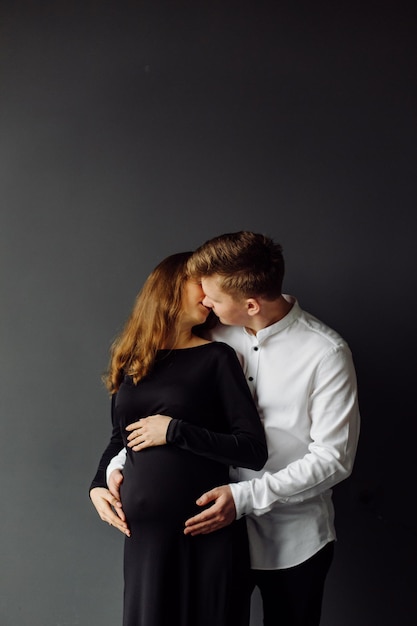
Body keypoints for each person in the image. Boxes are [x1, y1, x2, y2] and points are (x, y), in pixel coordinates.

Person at [101, 232, 360, 626]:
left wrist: (243, 497)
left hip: (292, 541)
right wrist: (111, 470)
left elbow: (333, 460)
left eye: (213, 298)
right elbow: (159, 412)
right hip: (210, 539)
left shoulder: (325, 353)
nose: (205, 302)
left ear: (250, 304)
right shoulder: (211, 332)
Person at [89, 251, 268, 626]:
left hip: (204, 529)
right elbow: (118, 439)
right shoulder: (132, 360)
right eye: (199, 287)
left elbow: (252, 449)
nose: (207, 298)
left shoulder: (217, 358)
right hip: (146, 539)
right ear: (169, 288)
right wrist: (96, 486)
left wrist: (174, 430)